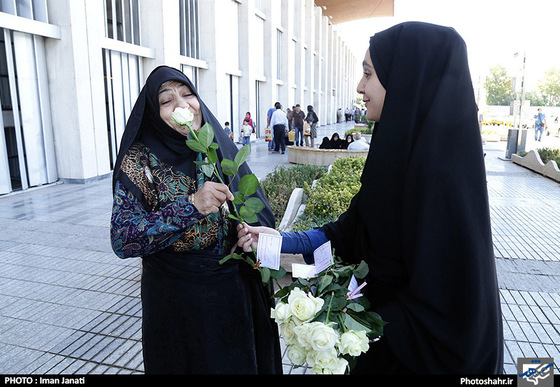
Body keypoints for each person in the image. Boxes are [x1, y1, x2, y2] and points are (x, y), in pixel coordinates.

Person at [235, 22, 503, 375]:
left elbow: (445, 307)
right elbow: (345, 232)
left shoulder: (441, 181)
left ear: (405, 79)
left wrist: (343, 321)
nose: (360, 87)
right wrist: (278, 241)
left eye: (368, 74)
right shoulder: (393, 164)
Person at [110, 66, 282, 374]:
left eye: (188, 94)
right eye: (166, 100)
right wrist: (191, 205)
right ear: (152, 111)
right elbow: (122, 238)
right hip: (179, 306)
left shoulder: (216, 146)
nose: (182, 105)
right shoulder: (139, 160)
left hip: (234, 299)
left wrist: (251, 237)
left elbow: (257, 211)